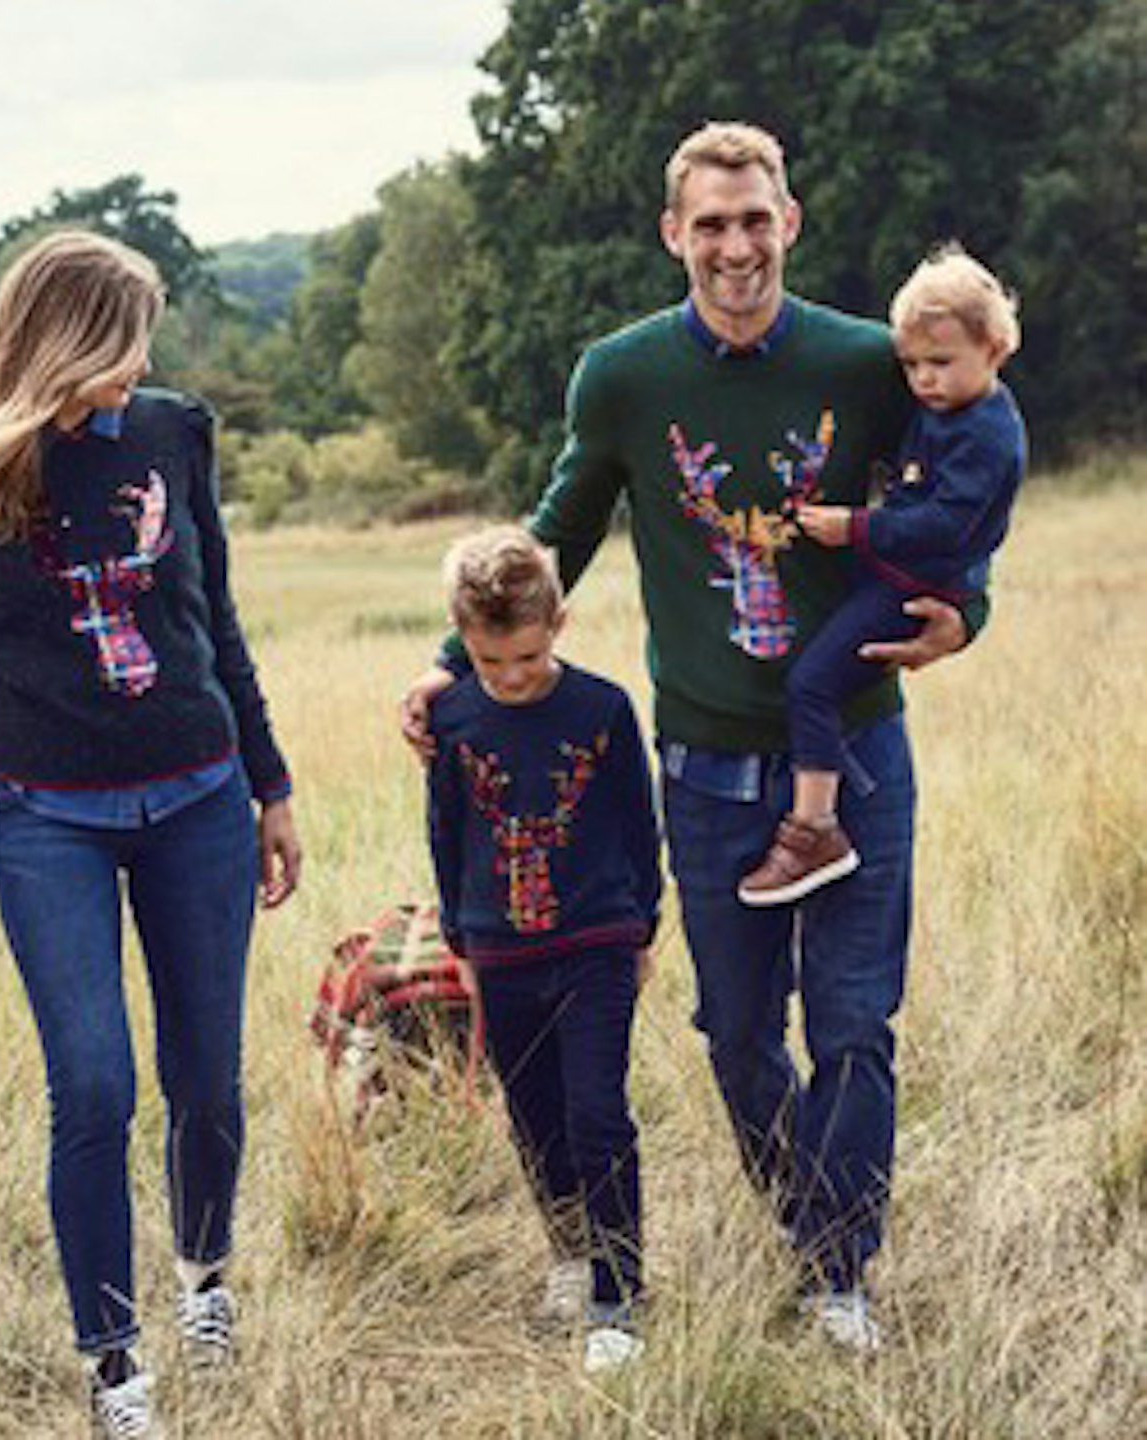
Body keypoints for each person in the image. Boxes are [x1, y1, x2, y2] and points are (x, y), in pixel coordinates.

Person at [403, 122, 986, 1352]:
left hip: (861, 755)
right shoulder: (621, 379)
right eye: (710, 223)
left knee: (854, 1027)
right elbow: (557, 529)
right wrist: (454, 668)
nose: (735, 244)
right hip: (710, 771)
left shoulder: (872, 365)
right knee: (734, 1033)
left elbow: (964, 498)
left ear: (791, 221)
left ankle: (842, 1273)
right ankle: (804, 1215)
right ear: (674, 234)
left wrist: (964, 614)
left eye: (754, 218)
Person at [0, 230, 301, 1437]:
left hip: (199, 800)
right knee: (91, 1084)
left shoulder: (176, 434)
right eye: (125, 343)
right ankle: (114, 1363)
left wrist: (270, 784)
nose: (140, 368)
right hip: (46, 823)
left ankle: (202, 1279)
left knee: (207, 1082)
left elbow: (210, 614)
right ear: (66, 341)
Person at [426, 525, 661, 1375]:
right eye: (492, 664)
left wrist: (645, 927)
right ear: (464, 638)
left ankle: (618, 1288)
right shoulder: (450, 718)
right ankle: (568, 1253)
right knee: (534, 1115)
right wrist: (460, 936)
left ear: (557, 623)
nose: (513, 678)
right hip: (499, 950)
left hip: (596, 937)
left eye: (526, 657)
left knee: (597, 1110)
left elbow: (640, 823)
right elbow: (446, 830)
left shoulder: (602, 709)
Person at [737, 245, 1026, 906]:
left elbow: (947, 526)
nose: (924, 380)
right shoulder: (948, 407)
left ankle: (814, 829)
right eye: (912, 364)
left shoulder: (987, 433)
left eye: (941, 363)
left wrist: (856, 527)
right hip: (891, 564)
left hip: (918, 585)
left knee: (811, 685)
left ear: (995, 348)